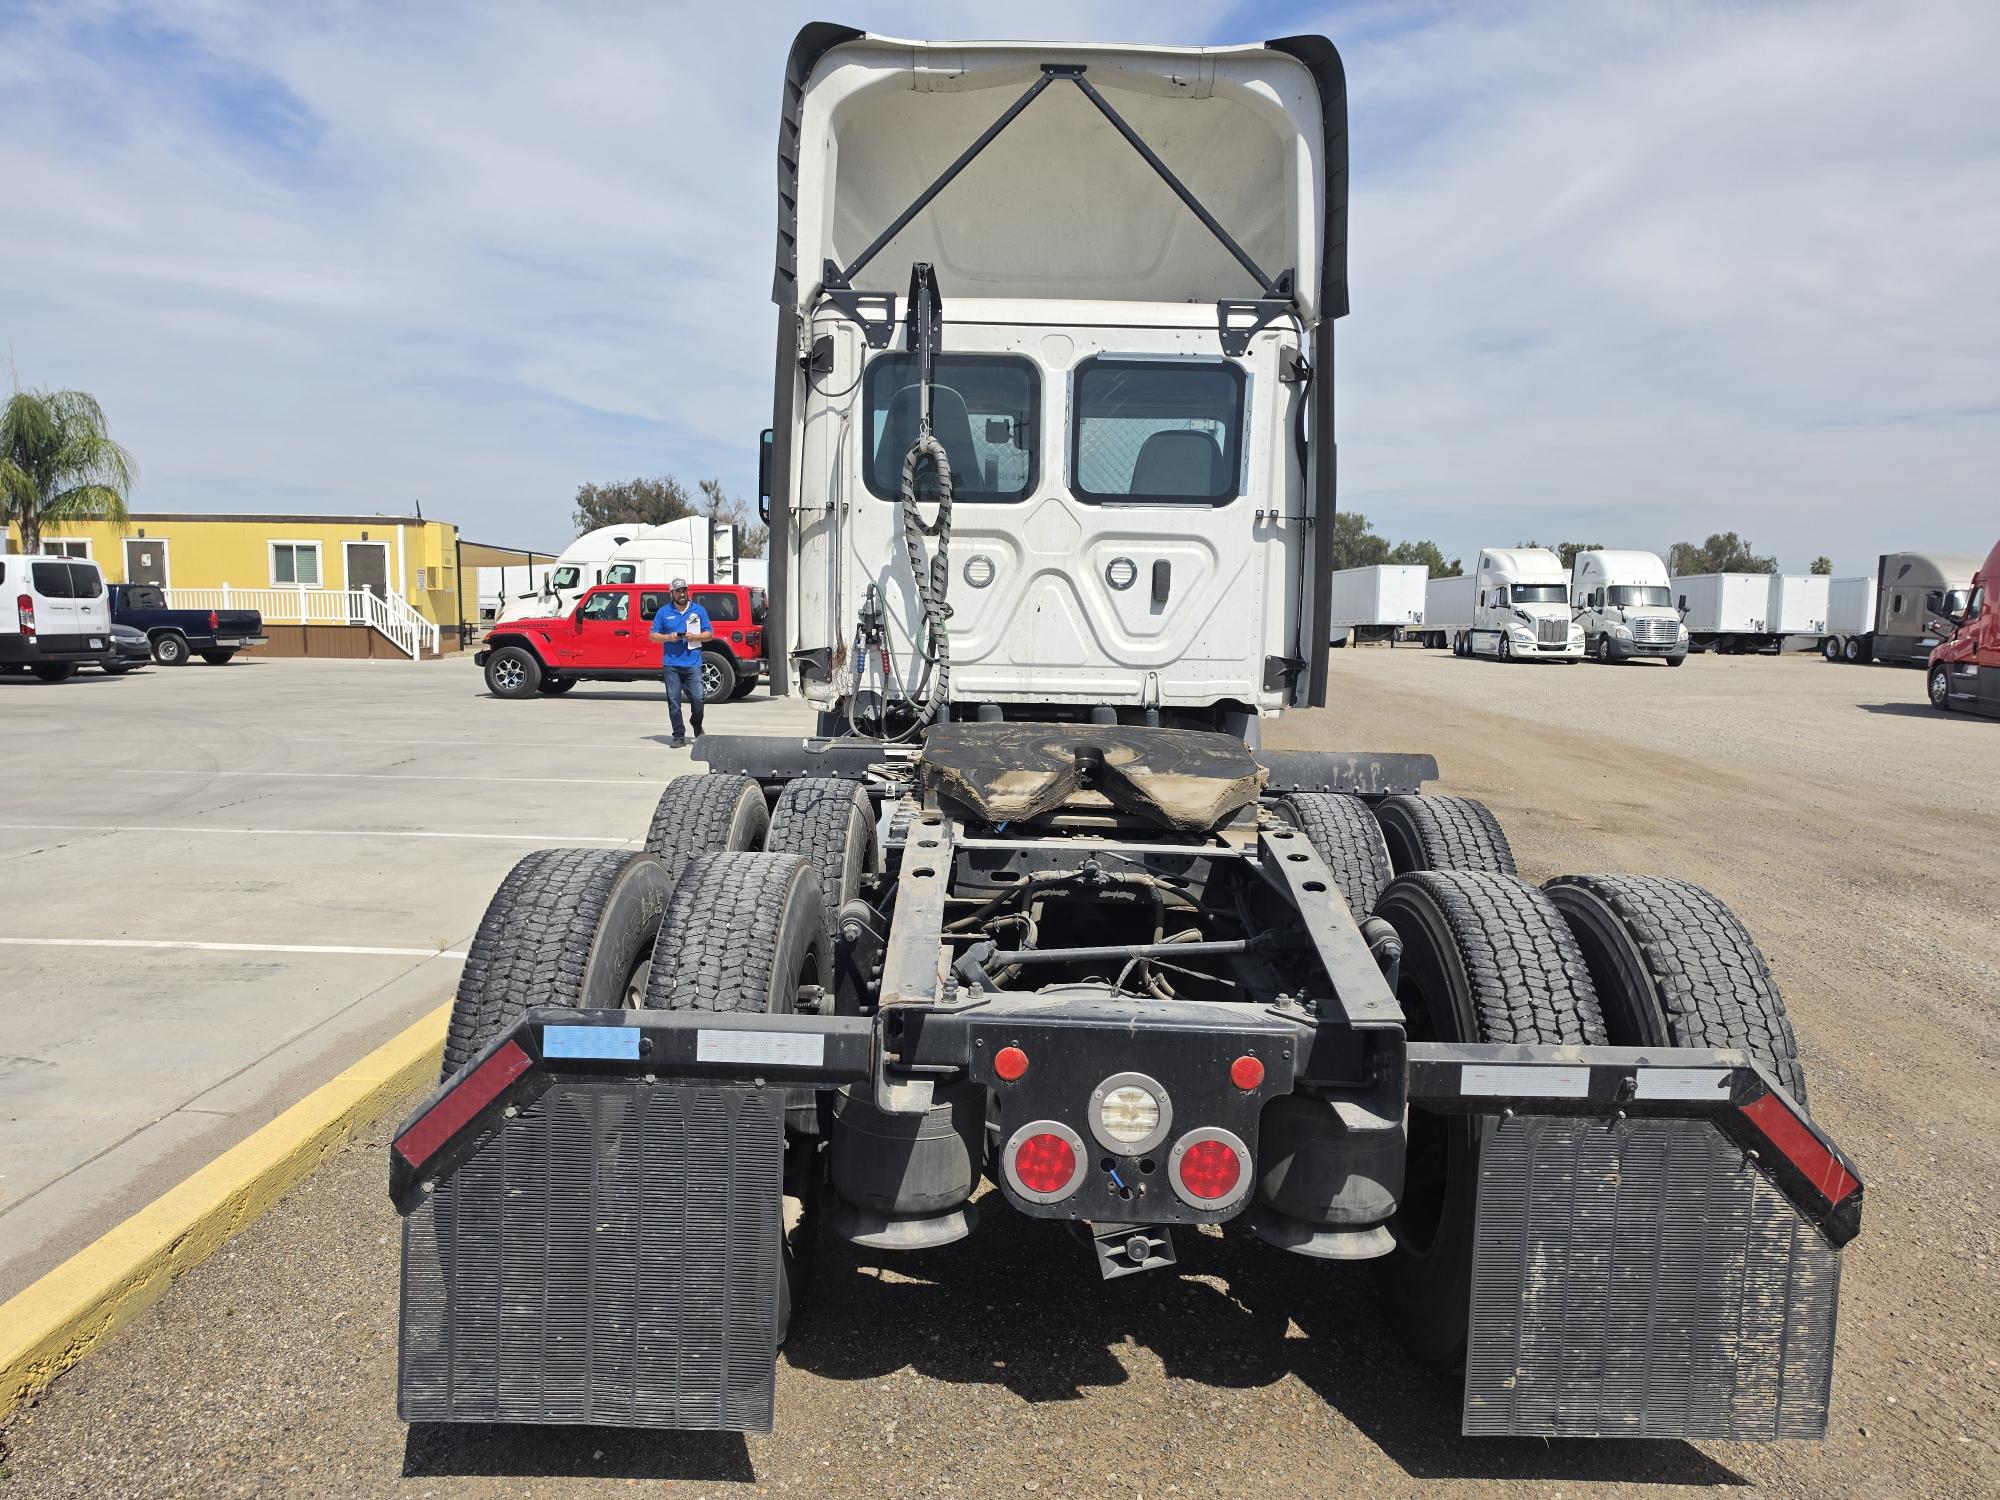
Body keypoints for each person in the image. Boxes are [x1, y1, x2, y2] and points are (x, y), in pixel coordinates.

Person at [649, 578, 713, 748]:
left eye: (684, 590)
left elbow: (709, 634)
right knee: (674, 701)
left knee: (698, 698)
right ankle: (678, 736)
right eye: (678, 591)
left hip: (693, 663)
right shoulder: (664, 612)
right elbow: (653, 635)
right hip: (671, 664)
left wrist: (696, 636)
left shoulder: (698, 610)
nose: (682, 594)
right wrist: (668, 637)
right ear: (671, 593)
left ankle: (696, 725)